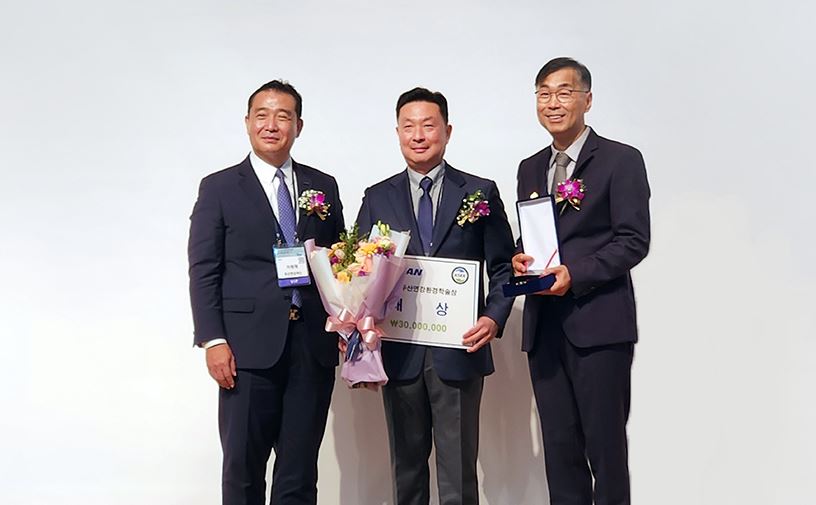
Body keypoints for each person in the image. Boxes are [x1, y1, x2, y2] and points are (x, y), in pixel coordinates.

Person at [188, 80, 345, 505]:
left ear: (298, 125)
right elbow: (203, 269)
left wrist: (348, 322)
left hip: (311, 347)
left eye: (282, 116)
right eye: (262, 115)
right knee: (243, 468)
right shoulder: (219, 188)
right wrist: (213, 340)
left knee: (299, 472)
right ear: (247, 122)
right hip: (245, 349)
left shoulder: (322, 185)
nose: (271, 125)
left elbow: (339, 262)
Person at [356, 87, 514, 505]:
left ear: (447, 131)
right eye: (408, 126)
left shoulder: (479, 191)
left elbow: (502, 267)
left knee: (458, 475)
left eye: (428, 125)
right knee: (406, 473)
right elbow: (359, 272)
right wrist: (358, 327)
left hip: (458, 350)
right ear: (397, 133)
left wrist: (494, 317)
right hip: (400, 352)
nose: (418, 135)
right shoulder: (377, 197)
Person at [513, 57, 651, 505]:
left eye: (564, 92)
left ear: (587, 100)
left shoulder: (620, 160)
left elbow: (633, 240)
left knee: (605, 450)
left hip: (599, 328)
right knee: (560, 452)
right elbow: (536, 235)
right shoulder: (530, 167)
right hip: (544, 329)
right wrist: (519, 256)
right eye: (544, 93)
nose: (552, 103)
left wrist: (576, 274)